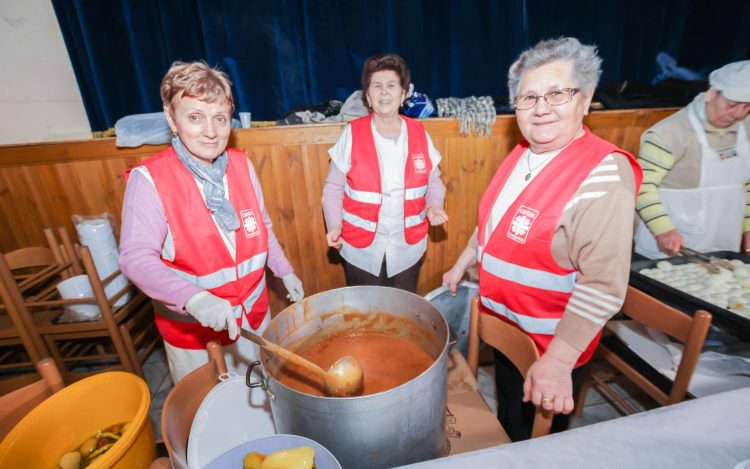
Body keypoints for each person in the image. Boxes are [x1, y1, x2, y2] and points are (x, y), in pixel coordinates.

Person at [442, 38, 642, 441]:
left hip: (551, 344)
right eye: (528, 96)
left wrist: (558, 361)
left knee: (537, 441)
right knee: (508, 420)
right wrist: (464, 259)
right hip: (508, 327)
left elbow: (603, 285)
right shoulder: (522, 152)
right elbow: (495, 221)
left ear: (584, 100)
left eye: (556, 93)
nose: (540, 107)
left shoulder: (605, 177)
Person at [119, 61, 304, 383]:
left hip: (252, 320)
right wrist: (195, 299)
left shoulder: (241, 165)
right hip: (194, 334)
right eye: (195, 117)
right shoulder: (149, 180)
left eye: (220, 119)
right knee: (211, 419)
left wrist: (284, 270)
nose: (210, 131)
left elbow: (260, 226)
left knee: (260, 400)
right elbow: (134, 258)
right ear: (171, 119)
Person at [322, 54, 448, 293]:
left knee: (402, 314)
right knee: (365, 314)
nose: (384, 92)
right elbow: (333, 188)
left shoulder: (420, 133)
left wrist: (434, 205)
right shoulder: (351, 134)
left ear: (402, 95)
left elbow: (435, 183)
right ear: (368, 97)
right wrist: (334, 225)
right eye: (376, 86)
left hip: (407, 250)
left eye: (391, 86)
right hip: (360, 251)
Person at [634, 61, 750, 259]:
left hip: (723, 240)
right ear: (711, 94)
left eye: (747, 107)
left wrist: (748, 228)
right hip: (673, 242)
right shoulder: (669, 133)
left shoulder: (746, 128)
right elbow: (641, 186)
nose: (738, 114)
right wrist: (664, 229)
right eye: (731, 105)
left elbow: (746, 184)